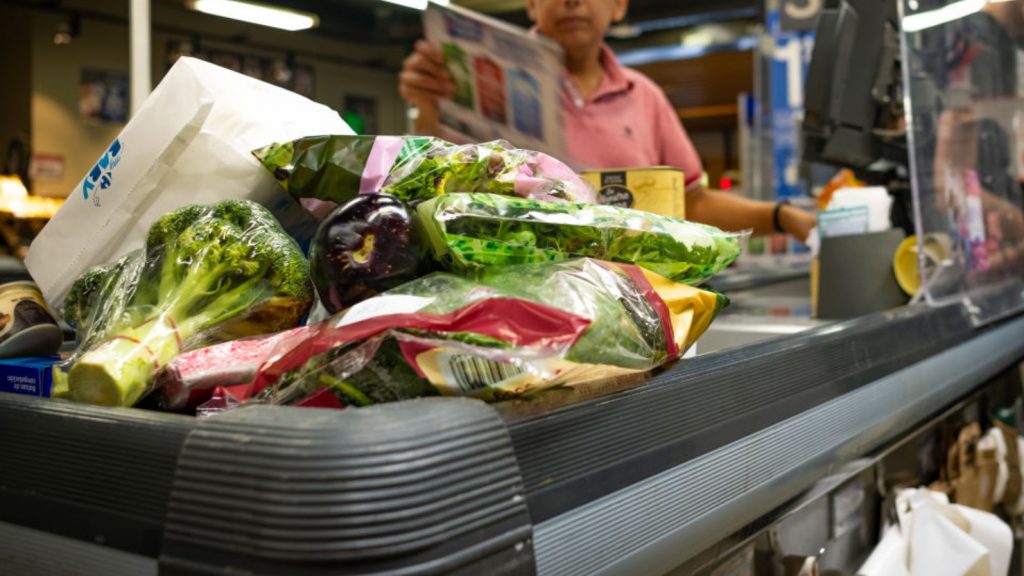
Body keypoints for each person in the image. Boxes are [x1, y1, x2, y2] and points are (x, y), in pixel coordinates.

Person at [399, 0, 818, 242]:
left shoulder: (645, 96)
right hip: (514, 303)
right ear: (531, 4)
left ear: (618, 6)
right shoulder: (466, 79)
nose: (572, 1)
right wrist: (427, 108)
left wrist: (781, 216)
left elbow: (691, 201)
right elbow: (438, 186)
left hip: (632, 302)